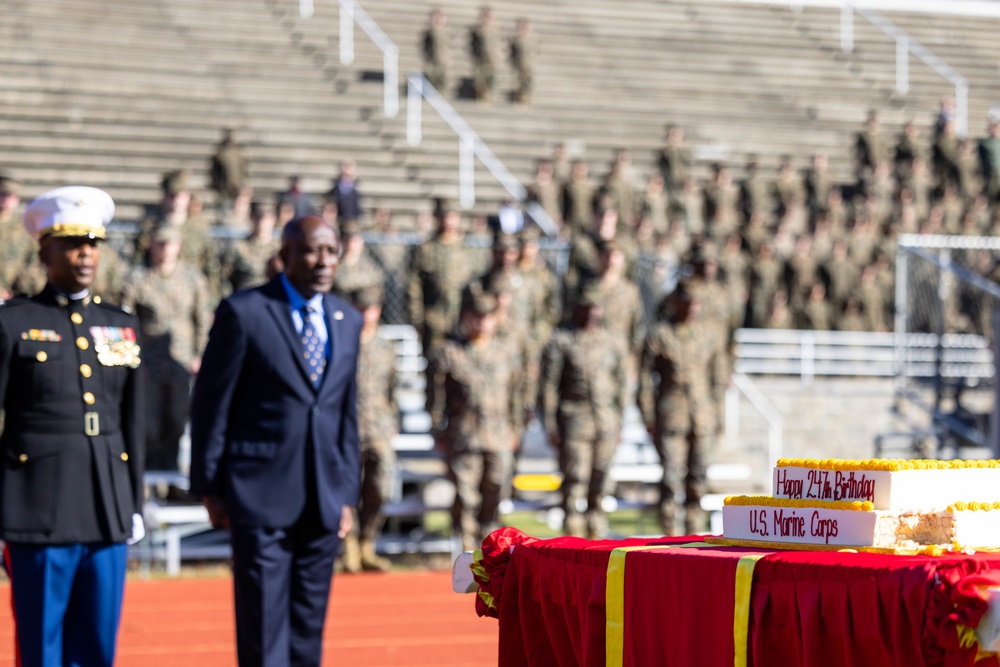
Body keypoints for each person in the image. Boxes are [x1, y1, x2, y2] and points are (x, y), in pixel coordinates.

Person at [189, 215, 361, 666]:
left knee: (309, 630)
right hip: (258, 493)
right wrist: (210, 485)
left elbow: (345, 413)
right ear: (284, 256)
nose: (322, 261)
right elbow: (212, 404)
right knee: (264, 631)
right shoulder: (244, 312)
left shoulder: (347, 319)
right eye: (310, 250)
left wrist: (345, 493)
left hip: (323, 498)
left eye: (331, 251)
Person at [0, 186, 145, 666]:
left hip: (106, 507)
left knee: (99, 647)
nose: (85, 254)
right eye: (71, 243)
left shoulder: (119, 324)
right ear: (44, 250)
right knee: (42, 647)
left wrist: (133, 503)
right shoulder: (14, 323)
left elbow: (131, 422)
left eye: (93, 244)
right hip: (36, 508)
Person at [427, 291, 515, 550]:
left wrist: (515, 430)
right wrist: (437, 433)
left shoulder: (505, 352)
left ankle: (490, 548)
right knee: (466, 496)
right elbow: (435, 398)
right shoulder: (449, 352)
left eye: (487, 317)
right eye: (476, 317)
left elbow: (519, 393)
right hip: (463, 435)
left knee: (496, 490)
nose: (482, 323)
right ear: (466, 318)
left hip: (498, 434)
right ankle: (466, 550)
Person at [122, 225, 212, 471]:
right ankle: (146, 478)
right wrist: (132, 360)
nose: (165, 249)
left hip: (181, 360)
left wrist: (200, 355)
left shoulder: (192, 278)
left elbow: (203, 318)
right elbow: (125, 322)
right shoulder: (137, 278)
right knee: (147, 423)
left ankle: (170, 476)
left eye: (170, 243)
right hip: (148, 361)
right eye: (160, 243)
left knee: (176, 419)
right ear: (151, 244)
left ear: (178, 246)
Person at [541, 286, 626, 538]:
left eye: (596, 309)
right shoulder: (562, 340)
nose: (592, 314)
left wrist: (619, 420)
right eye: (587, 308)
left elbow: (620, 385)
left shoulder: (611, 341)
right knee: (575, 480)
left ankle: (597, 532)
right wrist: (550, 424)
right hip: (575, 421)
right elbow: (549, 387)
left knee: (601, 478)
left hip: (605, 422)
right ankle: (572, 534)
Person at [638, 284, 716, 535]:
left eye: (696, 304)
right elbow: (644, 380)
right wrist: (648, 416)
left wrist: (717, 415)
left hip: (701, 416)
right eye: (687, 303)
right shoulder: (660, 334)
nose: (693, 309)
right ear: (676, 302)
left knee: (698, 478)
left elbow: (717, 376)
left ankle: (695, 533)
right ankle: (671, 534)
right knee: (672, 478)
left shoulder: (707, 333)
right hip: (671, 415)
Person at [343, 286, 397, 573]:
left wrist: (392, 422)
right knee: (346, 489)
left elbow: (392, 388)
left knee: (381, 487)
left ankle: (368, 543)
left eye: (372, 309)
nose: (367, 315)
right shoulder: (341, 343)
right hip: (346, 428)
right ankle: (349, 547)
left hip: (378, 428)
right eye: (362, 309)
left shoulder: (386, 348)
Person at [209, 127, 249, 213]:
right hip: (223, 185)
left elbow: (242, 168)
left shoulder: (238, 154)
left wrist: (241, 181)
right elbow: (215, 171)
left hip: (236, 184)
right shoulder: (220, 153)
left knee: (236, 205)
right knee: (223, 205)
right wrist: (217, 183)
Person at [469, 6, 499, 103]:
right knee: (479, 80)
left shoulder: (495, 30)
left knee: (490, 79)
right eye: (485, 16)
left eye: (489, 16)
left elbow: (497, 44)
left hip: (491, 58)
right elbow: (472, 44)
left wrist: (497, 55)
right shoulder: (476, 30)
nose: (487, 19)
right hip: (480, 58)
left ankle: (488, 98)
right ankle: (480, 98)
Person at [422, 8, 450, 92]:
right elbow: (425, 46)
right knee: (432, 80)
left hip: (443, 60)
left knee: (442, 81)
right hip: (432, 60)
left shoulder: (446, 31)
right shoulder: (429, 32)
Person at [509, 18, 536, 104]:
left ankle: (527, 100)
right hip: (519, 66)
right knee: (519, 84)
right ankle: (520, 100)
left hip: (529, 65)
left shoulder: (532, 40)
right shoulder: (515, 40)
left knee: (528, 84)